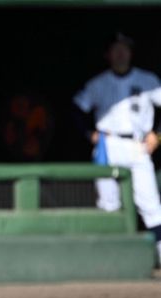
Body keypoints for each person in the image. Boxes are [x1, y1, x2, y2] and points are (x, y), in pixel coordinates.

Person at [73, 32, 161, 270]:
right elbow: (77, 109)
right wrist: (88, 134)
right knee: (108, 202)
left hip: (137, 144)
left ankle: (159, 255)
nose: (121, 53)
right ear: (108, 54)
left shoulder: (148, 80)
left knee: (150, 202)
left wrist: (157, 134)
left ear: (131, 53)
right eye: (116, 48)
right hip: (108, 144)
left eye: (125, 48)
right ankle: (109, 260)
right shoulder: (97, 83)